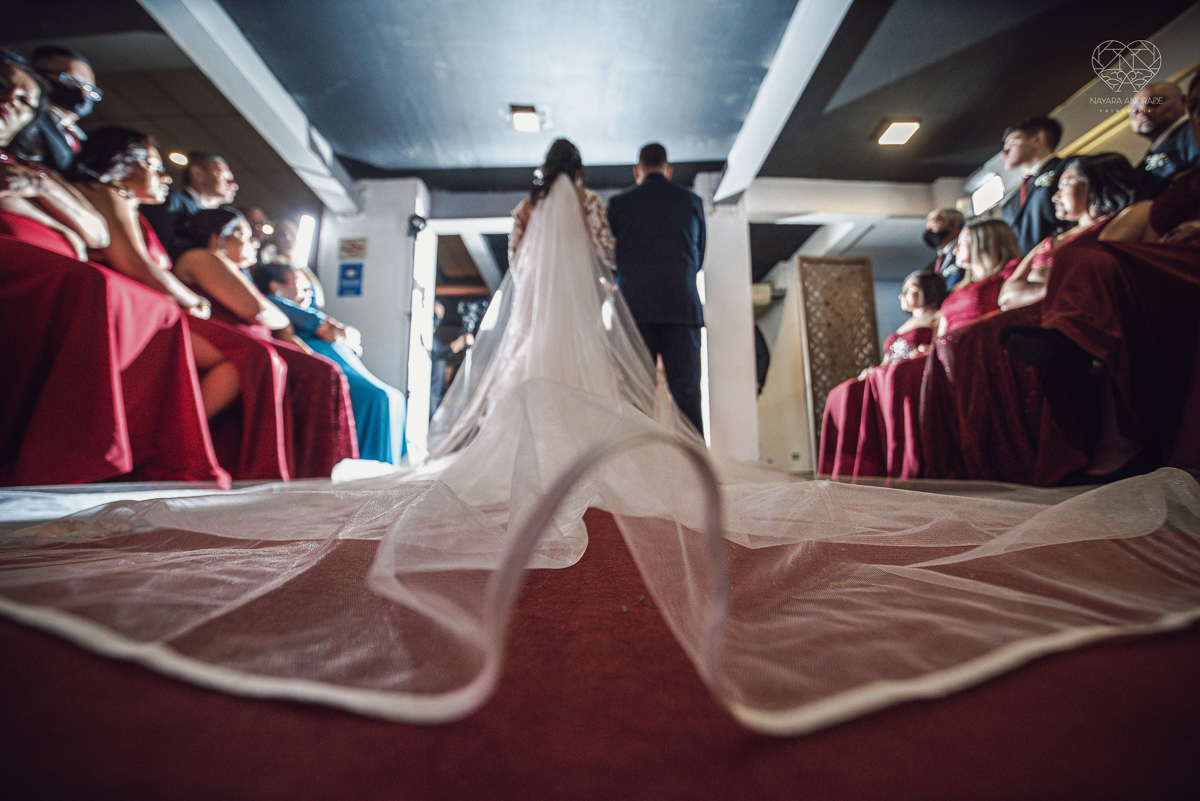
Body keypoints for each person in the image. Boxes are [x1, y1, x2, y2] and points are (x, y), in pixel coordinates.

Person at [921, 154, 1141, 486]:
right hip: (1042, 302)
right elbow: (1009, 293)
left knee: (984, 336)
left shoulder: (1125, 218)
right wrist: (1054, 280)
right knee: (971, 338)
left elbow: (1099, 266)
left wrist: (1051, 280)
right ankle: (992, 455)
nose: (1055, 195)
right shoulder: (1049, 241)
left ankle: (1038, 451)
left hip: (1086, 300)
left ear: (1099, 183)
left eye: (1067, 183)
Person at [173, 208, 358, 477]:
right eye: (242, 235)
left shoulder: (236, 269)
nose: (253, 242)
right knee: (320, 372)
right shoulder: (202, 257)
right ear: (217, 237)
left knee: (325, 369)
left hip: (252, 342)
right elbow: (256, 310)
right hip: (228, 343)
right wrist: (282, 321)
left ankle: (317, 471)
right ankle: (310, 473)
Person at [254, 261, 408, 465]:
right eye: (300, 284)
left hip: (344, 365)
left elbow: (347, 332)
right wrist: (336, 332)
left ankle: (390, 467)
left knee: (395, 397)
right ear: (276, 287)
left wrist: (342, 334)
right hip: (326, 369)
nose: (308, 290)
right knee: (378, 398)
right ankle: (370, 468)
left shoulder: (304, 312)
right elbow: (324, 329)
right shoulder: (274, 304)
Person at [607, 142, 707, 436]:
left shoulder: (619, 204)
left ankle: (637, 463)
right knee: (688, 398)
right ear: (668, 171)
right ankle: (695, 461)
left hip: (635, 311)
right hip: (682, 308)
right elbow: (699, 257)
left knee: (636, 397)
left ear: (637, 171)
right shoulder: (691, 201)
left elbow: (611, 258)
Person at [819, 270, 947, 477]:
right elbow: (886, 361)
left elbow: (937, 346)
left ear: (928, 291)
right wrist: (873, 370)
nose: (901, 295)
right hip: (889, 374)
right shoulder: (904, 325)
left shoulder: (937, 316)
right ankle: (844, 468)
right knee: (843, 391)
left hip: (910, 376)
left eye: (910, 289)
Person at [0, 51, 108, 259]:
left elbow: (99, 235)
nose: (11, 99)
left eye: (25, 101)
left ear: (30, 120)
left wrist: (40, 186)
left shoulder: (31, 169)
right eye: (1, 85)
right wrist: (57, 226)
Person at [12, 45, 100, 173]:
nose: (83, 92)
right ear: (38, 75)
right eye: (71, 80)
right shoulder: (24, 120)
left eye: (89, 88)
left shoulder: (84, 140)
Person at [141, 151, 238, 260]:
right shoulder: (173, 201)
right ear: (198, 174)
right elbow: (158, 244)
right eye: (224, 177)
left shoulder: (219, 219)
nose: (233, 185)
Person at [1000, 117, 1066, 255]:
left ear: (1038, 139)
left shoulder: (1067, 169)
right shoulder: (1011, 201)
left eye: (1012, 143)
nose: (1004, 153)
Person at [1128, 82, 1198, 199]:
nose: (1144, 113)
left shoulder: (1193, 130)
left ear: (1183, 101)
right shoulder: (1145, 162)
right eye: (1136, 111)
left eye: (1155, 103)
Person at [921, 208, 964, 288]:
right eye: (927, 225)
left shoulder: (966, 254)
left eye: (934, 223)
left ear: (955, 224)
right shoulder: (930, 268)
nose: (929, 229)